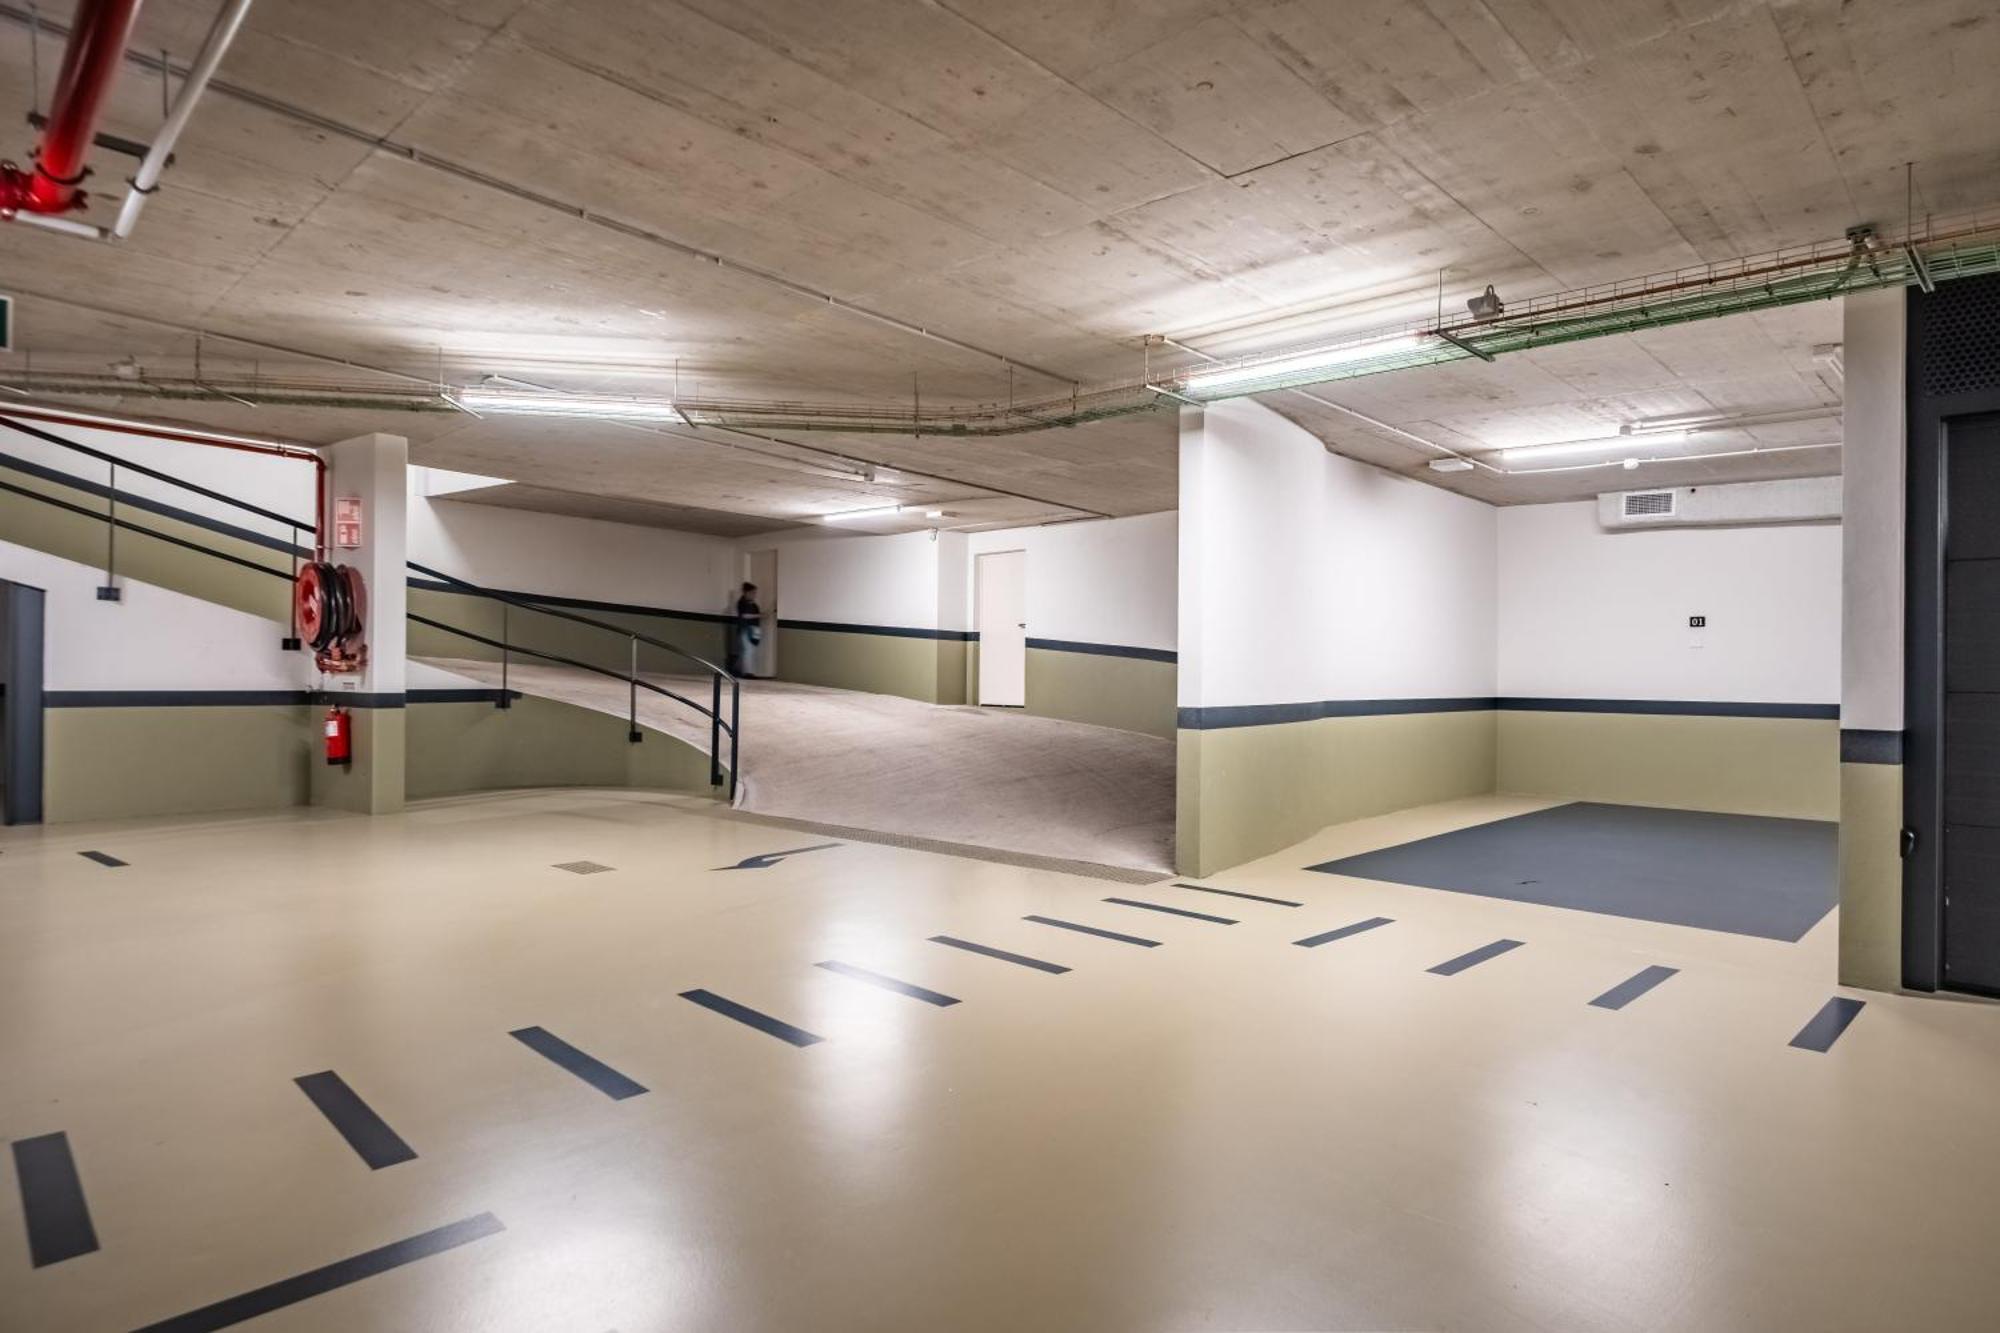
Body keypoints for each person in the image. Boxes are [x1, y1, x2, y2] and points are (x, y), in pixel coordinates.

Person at [728, 581, 762, 678]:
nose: (754, 595)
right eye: (752, 593)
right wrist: (760, 615)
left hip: (753, 630)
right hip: (745, 629)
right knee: (747, 651)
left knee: (747, 651)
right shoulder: (741, 603)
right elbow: (744, 616)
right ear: (747, 592)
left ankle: (736, 670)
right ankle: (747, 672)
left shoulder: (754, 605)